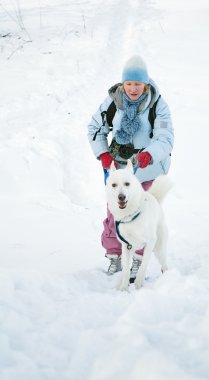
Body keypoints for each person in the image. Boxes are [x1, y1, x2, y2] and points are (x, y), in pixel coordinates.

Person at [87, 55, 174, 280]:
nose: (133, 88)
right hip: (118, 168)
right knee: (115, 212)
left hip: (147, 168)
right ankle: (115, 255)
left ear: (145, 84)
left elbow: (165, 137)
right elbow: (95, 128)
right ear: (123, 84)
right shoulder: (112, 102)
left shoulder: (158, 105)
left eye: (137, 84)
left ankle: (137, 259)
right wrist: (104, 154)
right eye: (129, 84)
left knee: (142, 215)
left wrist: (149, 154)